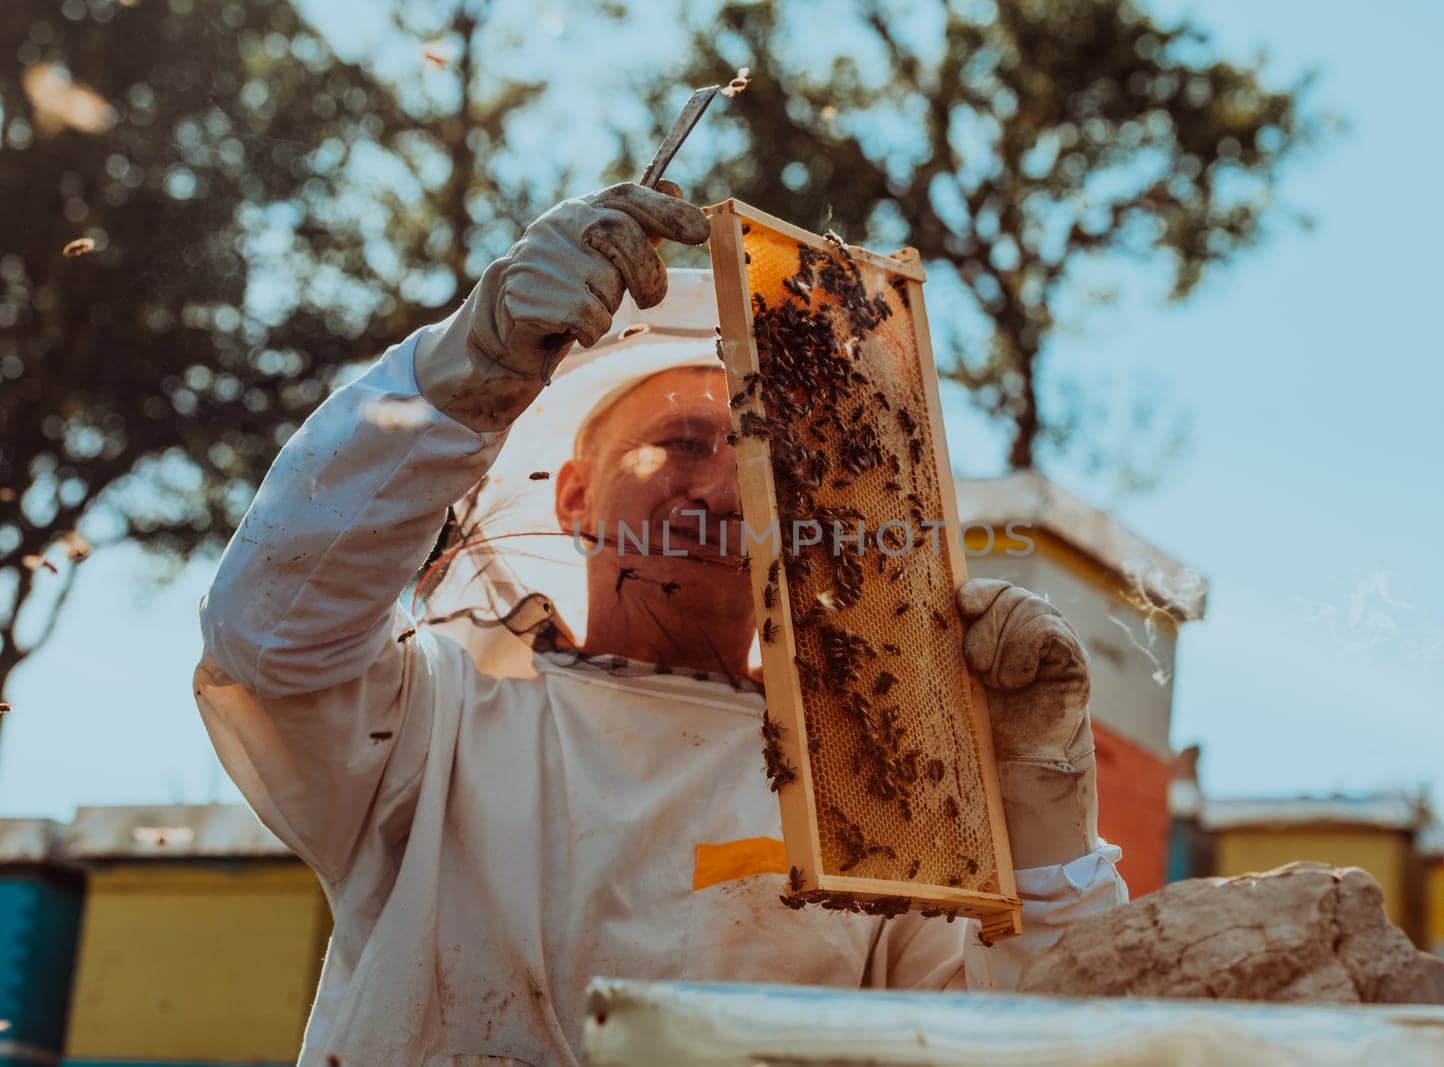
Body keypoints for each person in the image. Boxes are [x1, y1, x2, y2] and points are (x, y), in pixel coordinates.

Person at [195, 182, 1124, 1067]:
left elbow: (1026, 1039)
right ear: (574, 495)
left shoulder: (870, 813)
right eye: (683, 442)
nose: (726, 486)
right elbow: (271, 630)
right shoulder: (436, 725)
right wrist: (467, 366)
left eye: (759, 456)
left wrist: (1047, 815)